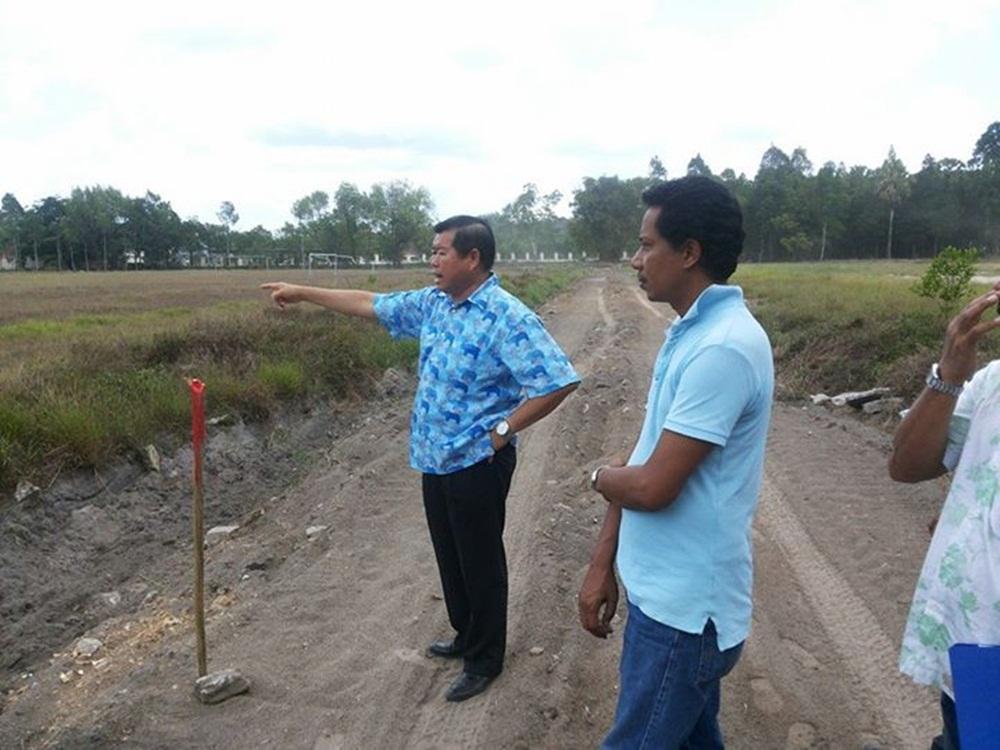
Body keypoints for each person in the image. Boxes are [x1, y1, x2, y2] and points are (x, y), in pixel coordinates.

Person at [262, 215, 579, 702]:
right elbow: (370, 303)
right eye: (432, 252)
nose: (432, 261)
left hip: (477, 462)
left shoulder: (507, 316)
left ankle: (485, 658)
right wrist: (303, 292)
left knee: (480, 561)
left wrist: (502, 431)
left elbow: (557, 380)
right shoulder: (435, 304)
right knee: (450, 555)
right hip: (434, 457)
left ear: (472, 258)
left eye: (440, 252)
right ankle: (465, 633)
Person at [578, 176, 773, 749]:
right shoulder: (692, 332)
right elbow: (645, 455)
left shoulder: (723, 347)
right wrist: (603, 559)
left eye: (646, 246)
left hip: (683, 617)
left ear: (689, 252)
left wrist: (597, 477)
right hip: (665, 601)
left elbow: (652, 484)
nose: (635, 260)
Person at [888, 282, 1000, 750]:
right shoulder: (992, 383)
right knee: (967, 738)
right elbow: (907, 465)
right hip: (977, 643)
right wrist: (949, 376)